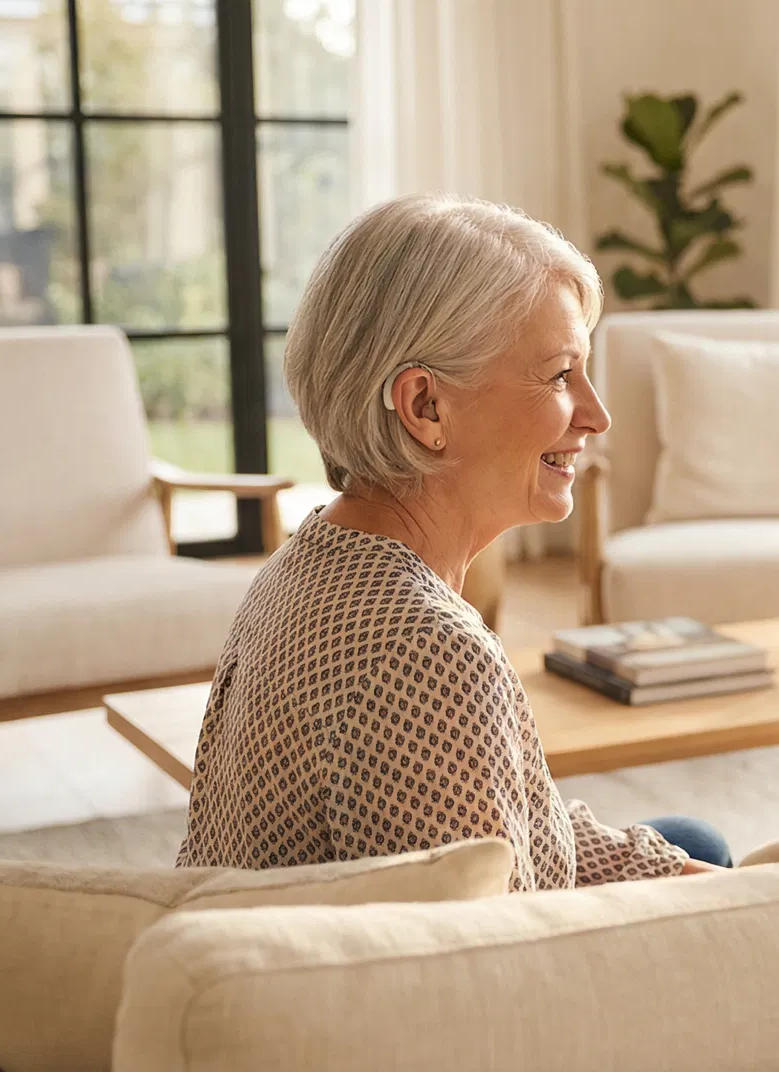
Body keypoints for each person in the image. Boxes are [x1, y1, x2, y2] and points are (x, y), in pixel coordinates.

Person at [177, 195, 731, 886]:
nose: (598, 414)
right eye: (561, 375)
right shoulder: (427, 653)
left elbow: (523, 820)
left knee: (693, 844)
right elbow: (494, 969)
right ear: (425, 408)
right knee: (720, 863)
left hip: (289, 956)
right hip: (404, 983)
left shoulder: (308, 556)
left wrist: (677, 873)